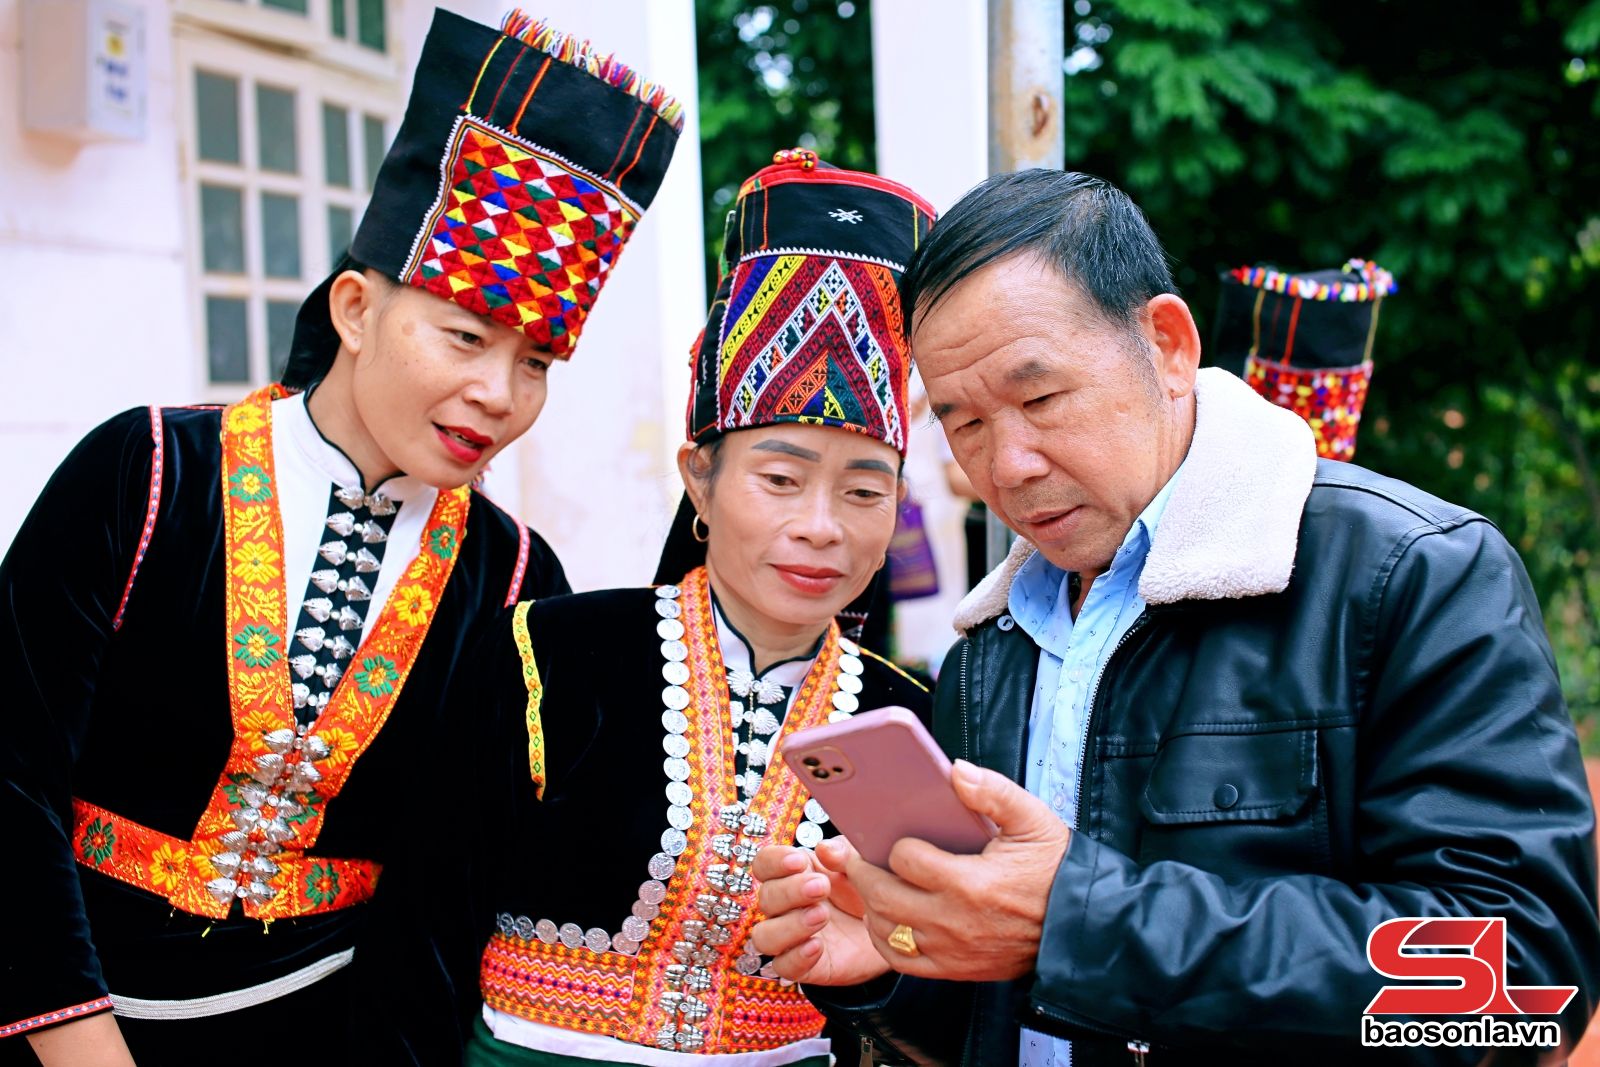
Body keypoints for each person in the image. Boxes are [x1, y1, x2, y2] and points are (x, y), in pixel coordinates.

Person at [749, 169, 1600, 1065]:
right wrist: (893, 963)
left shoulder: (1410, 575)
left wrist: (1081, 920)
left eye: (1040, 399)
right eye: (964, 424)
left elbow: (1521, 988)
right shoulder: (989, 652)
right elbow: (1010, 1015)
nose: (1008, 465)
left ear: (1168, 346)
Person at [0, 10, 680, 1064]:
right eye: (465, 335)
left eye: (537, 362)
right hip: (64, 1023)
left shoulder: (511, 576)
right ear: (357, 309)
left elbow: (463, 880)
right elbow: (10, 775)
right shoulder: (145, 474)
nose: (498, 393)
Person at [458, 148, 936, 1066]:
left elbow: (931, 985)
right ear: (700, 481)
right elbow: (426, 925)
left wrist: (878, 967)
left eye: (864, 491)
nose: (821, 527)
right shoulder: (548, 652)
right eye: (781, 478)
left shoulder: (910, 720)